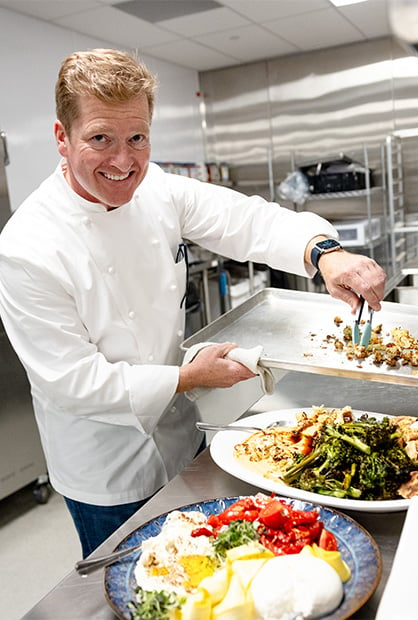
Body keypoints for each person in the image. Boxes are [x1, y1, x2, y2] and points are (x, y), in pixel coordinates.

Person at [0, 49, 386, 558]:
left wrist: (325, 253)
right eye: (100, 139)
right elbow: (72, 382)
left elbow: (246, 220)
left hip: (185, 437)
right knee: (139, 588)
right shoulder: (27, 246)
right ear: (61, 138)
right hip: (105, 464)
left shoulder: (156, 187)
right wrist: (187, 378)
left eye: (137, 137)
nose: (123, 160)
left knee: (210, 568)